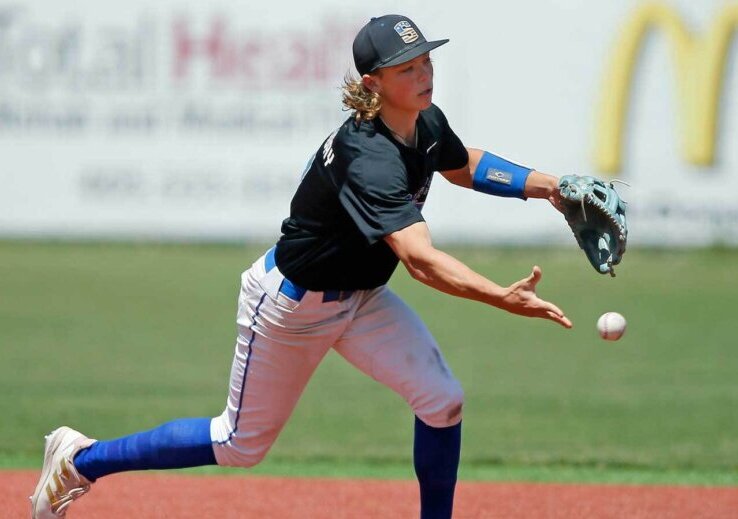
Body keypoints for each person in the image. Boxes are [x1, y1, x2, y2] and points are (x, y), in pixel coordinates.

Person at [30, 14, 572, 519]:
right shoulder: (370, 155)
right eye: (407, 67)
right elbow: (421, 262)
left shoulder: (423, 121)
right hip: (290, 307)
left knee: (442, 400)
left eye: (426, 60)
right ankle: (83, 458)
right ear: (374, 81)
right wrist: (500, 296)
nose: (424, 72)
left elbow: (462, 164)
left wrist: (554, 188)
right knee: (238, 445)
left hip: (360, 298)